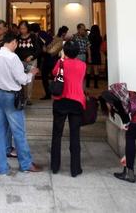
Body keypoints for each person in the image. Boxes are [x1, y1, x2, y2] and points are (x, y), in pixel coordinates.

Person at [0, 31, 43, 175]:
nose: (17, 46)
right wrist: (31, 74)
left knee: (0, 132)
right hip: (11, 97)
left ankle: (2, 167)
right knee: (19, 132)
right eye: (16, 43)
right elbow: (22, 79)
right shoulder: (12, 57)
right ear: (13, 42)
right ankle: (26, 164)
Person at [50, 40, 86, 177]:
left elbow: (54, 74)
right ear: (77, 52)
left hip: (61, 101)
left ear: (64, 50)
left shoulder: (61, 63)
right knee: (75, 136)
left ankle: (55, 166)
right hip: (77, 102)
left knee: (57, 135)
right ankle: (75, 169)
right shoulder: (82, 65)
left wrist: (62, 58)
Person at [15, 21, 41, 106]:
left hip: (32, 61)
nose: (22, 30)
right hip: (21, 62)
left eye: (24, 28)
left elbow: (38, 50)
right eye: (21, 28)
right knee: (22, 80)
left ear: (27, 28)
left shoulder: (33, 37)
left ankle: (29, 98)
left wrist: (32, 57)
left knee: (30, 80)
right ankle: (23, 97)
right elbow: (16, 50)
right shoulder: (18, 38)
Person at [41, 25, 69, 100]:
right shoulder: (60, 40)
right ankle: (55, 93)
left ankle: (48, 94)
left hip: (48, 59)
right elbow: (53, 52)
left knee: (45, 78)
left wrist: (45, 49)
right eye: (66, 33)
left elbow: (48, 49)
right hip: (53, 60)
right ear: (64, 33)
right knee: (54, 78)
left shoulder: (54, 38)